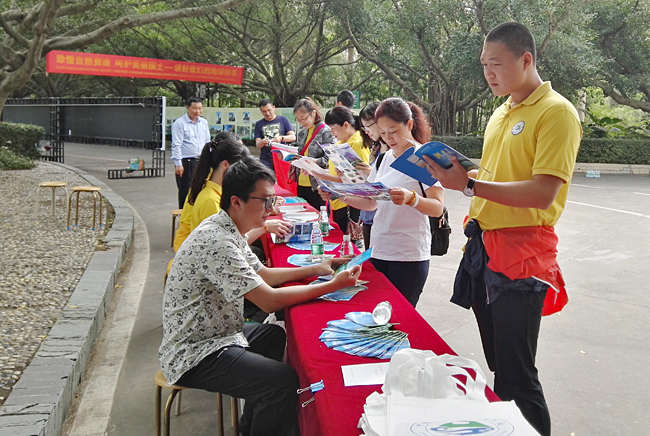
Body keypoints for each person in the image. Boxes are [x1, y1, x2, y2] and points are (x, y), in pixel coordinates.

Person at [423, 22, 582, 436]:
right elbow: (498, 175)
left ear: (526, 59)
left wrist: (471, 184)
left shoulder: (557, 112)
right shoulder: (502, 111)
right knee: (498, 363)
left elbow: (543, 192)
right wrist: (463, 171)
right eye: (484, 65)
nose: (488, 73)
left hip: (523, 256)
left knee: (516, 373)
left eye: (496, 63)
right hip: (484, 249)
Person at [160, 157, 361, 436]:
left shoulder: (229, 229)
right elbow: (267, 300)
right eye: (266, 201)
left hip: (219, 333)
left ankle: (250, 427)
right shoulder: (218, 240)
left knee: (273, 337)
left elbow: (264, 275)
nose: (272, 208)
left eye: (273, 200)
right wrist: (331, 286)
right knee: (282, 381)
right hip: (196, 352)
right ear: (237, 201)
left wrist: (320, 267)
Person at [321, 98, 444, 307]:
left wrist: (411, 198)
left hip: (408, 254)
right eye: (383, 132)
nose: (389, 138)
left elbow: (437, 207)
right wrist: (338, 194)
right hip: (379, 249)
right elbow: (371, 203)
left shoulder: (421, 158)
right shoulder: (384, 159)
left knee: (400, 316)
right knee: (378, 312)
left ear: (410, 125)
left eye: (394, 131)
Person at [322, 107, 371, 241]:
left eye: (333, 128)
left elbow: (360, 179)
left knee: (349, 243)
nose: (332, 133)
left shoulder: (357, 143)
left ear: (345, 125)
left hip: (351, 203)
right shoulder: (339, 144)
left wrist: (320, 175)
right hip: (339, 200)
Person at [292, 97, 337, 210]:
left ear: (313, 113)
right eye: (298, 119)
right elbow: (300, 154)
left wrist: (314, 161)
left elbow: (331, 159)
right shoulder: (302, 133)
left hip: (317, 184)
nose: (301, 122)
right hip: (301, 181)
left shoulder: (326, 131)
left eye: (303, 118)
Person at [354, 101, 388, 250]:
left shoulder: (395, 152)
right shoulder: (375, 149)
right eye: (363, 126)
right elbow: (370, 187)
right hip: (369, 215)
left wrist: (373, 173)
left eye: (368, 125)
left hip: (385, 219)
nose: (366, 130)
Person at [171, 97, 211, 209]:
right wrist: (178, 164)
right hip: (186, 161)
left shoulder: (203, 122)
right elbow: (176, 144)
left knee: (201, 189)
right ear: (187, 107)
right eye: (194, 108)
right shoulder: (179, 123)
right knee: (185, 190)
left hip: (201, 160)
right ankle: (184, 218)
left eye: (200, 108)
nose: (197, 111)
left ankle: (197, 217)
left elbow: (207, 143)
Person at [254, 99, 296, 171]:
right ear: (261, 111)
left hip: (281, 157)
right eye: (264, 111)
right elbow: (258, 144)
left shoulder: (283, 120)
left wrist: (281, 138)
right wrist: (263, 142)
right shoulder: (259, 124)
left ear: (274, 107)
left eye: (269, 110)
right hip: (266, 159)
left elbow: (293, 137)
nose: (267, 113)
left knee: (282, 180)